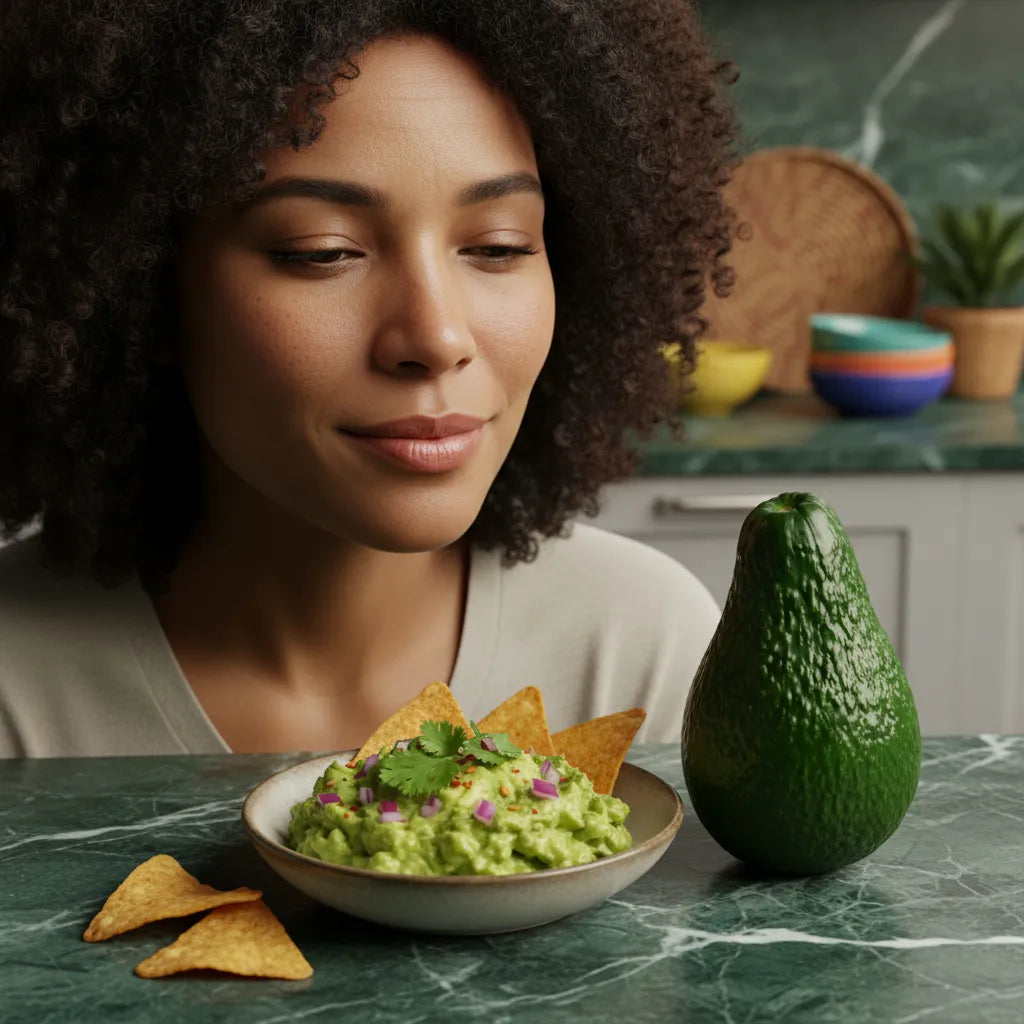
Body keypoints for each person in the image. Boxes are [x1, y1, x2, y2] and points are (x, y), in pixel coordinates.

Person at [0, 0, 737, 758]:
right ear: (140, 286)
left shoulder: (642, 650)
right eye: (322, 252)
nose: (436, 336)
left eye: (499, 246)